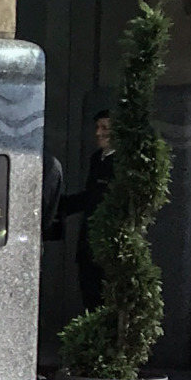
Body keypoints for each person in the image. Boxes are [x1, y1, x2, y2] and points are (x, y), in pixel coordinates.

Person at [59, 111, 117, 310]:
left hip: (107, 242)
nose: (98, 133)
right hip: (89, 240)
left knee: (103, 299)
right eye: (97, 128)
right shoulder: (97, 159)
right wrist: (61, 206)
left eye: (105, 128)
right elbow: (90, 196)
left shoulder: (121, 163)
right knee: (89, 296)